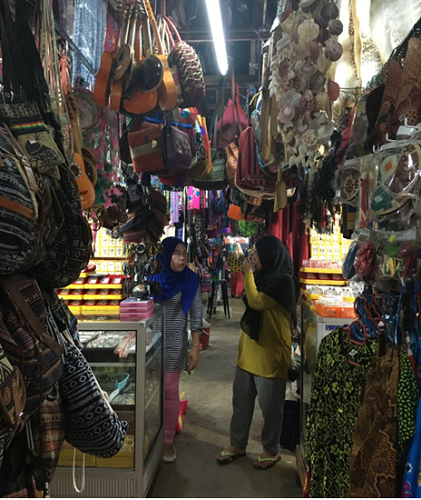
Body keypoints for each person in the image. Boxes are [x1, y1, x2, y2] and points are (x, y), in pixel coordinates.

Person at [217, 235, 299, 470]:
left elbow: (256, 301)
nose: (252, 257)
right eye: (252, 253)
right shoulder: (262, 278)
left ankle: (271, 450)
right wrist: (251, 275)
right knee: (241, 403)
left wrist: (247, 274)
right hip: (248, 352)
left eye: (256, 254)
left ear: (270, 256)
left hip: (270, 354)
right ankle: (237, 444)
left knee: (271, 408)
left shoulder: (284, 282)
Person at [154, 237, 203, 463]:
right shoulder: (153, 277)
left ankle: (167, 440)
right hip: (150, 343)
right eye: (176, 253)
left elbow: (196, 316)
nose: (182, 258)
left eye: (184, 253)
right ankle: (156, 430)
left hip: (175, 343)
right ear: (165, 256)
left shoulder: (190, 280)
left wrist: (195, 347)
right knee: (151, 391)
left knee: (169, 390)